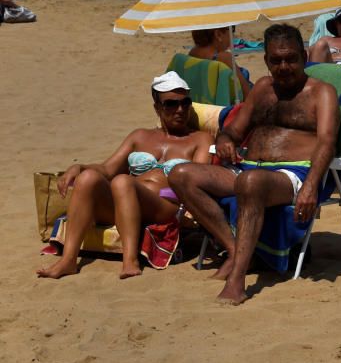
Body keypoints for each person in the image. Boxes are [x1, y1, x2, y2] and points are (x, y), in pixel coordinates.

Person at [169, 25, 341, 305]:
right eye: (276, 60)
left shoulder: (322, 93)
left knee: (250, 182)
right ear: (266, 60)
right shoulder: (263, 88)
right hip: (247, 169)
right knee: (180, 174)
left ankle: (236, 280)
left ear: (304, 56)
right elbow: (233, 131)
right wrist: (225, 141)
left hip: (291, 174)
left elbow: (327, 142)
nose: (284, 67)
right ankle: (236, 251)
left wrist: (311, 185)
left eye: (291, 59)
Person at [36, 73, 212, 280]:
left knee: (122, 181)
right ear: (157, 107)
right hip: (125, 200)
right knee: (88, 178)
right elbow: (107, 169)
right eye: (171, 104)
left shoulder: (200, 139)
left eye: (185, 102)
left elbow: (198, 179)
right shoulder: (140, 136)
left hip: (165, 205)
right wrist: (79, 167)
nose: (180, 109)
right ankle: (68, 260)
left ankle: (130, 260)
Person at [189, 27, 253, 98]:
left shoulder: (193, 52)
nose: (233, 34)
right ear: (218, 34)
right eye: (232, 28)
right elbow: (246, 93)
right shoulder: (224, 58)